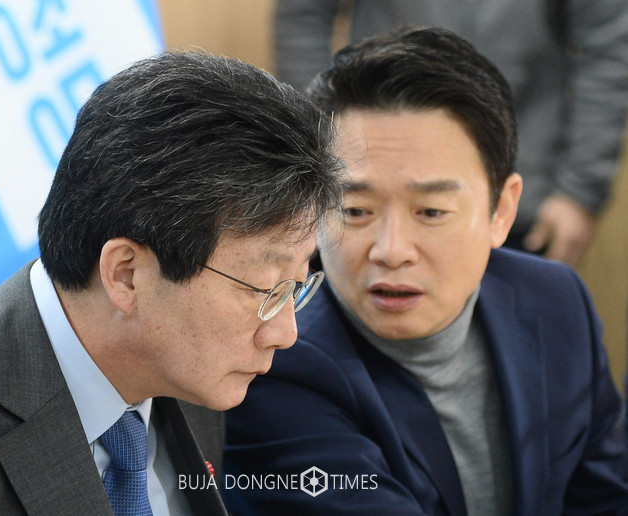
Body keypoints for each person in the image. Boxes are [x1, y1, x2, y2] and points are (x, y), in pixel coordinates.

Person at [223, 27, 628, 515]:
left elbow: (604, 499)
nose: (392, 252)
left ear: (502, 211)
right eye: (355, 211)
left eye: (431, 212)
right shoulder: (276, 364)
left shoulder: (554, 299)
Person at [0, 51, 343, 514]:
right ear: (125, 274)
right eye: (263, 289)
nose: (286, 333)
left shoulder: (197, 377)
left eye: (295, 286)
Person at [273, 0, 628, 267]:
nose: (395, 253)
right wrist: (316, 149)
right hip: (364, 178)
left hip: (527, 187)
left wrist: (579, 190)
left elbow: (608, 46)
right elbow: (304, 14)